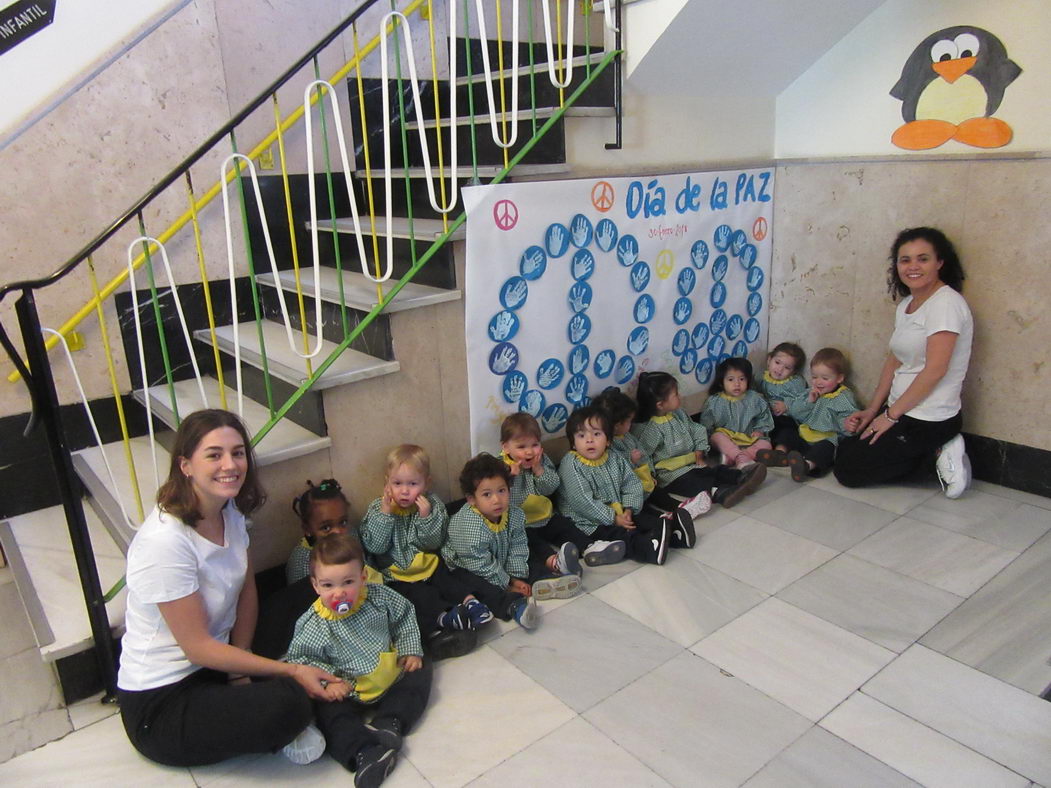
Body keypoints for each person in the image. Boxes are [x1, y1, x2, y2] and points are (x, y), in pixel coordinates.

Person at [117, 409, 339, 768]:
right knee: (288, 702)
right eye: (214, 455)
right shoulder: (164, 542)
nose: (230, 465)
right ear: (186, 465)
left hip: (219, 656)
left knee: (316, 593)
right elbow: (198, 649)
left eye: (237, 453)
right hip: (164, 700)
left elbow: (246, 587)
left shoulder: (228, 509)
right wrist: (290, 672)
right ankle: (292, 694)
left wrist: (241, 665)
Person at [835, 227, 973, 497]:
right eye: (905, 259)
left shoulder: (945, 304)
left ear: (940, 263)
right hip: (902, 409)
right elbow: (894, 360)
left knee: (848, 471)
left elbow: (935, 370)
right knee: (847, 448)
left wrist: (889, 416)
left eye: (923, 259)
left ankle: (940, 451)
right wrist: (873, 410)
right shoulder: (908, 305)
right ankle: (927, 450)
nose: (913, 267)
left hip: (930, 416)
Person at [287, 533, 431, 786]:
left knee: (421, 668)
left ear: (363, 577)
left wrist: (410, 650)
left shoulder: (380, 598)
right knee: (329, 714)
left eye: (348, 582)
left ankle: (390, 722)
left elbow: (405, 616)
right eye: (328, 585)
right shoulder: (313, 624)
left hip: (389, 672)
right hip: (347, 689)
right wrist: (329, 683)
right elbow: (301, 661)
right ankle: (365, 753)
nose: (339, 593)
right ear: (315, 585)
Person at [359, 444, 483, 659]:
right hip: (398, 574)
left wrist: (426, 518)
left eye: (413, 484)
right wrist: (386, 515)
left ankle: (471, 603)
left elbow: (433, 543)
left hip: (427, 564)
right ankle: (446, 618)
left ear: (426, 484)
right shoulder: (378, 508)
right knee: (420, 596)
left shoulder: (431, 505)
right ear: (387, 482)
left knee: (447, 578)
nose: (405, 491)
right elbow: (375, 547)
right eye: (397, 483)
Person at [253, 479, 382, 661]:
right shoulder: (303, 560)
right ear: (307, 529)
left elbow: (370, 568)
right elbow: (303, 609)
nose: (338, 532)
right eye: (326, 527)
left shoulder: (351, 535)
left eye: (343, 522)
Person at [558, 405, 677, 561]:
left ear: (607, 440)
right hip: (588, 520)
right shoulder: (571, 465)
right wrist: (613, 518)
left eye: (596, 434)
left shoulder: (614, 457)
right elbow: (584, 502)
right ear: (573, 443)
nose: (589, 440)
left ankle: (674, 536)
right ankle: (648, 550)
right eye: (581, 436)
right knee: (619, 535)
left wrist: (629, 508)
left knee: (642, 520)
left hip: (618, 510)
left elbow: (631, 483)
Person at [635, 371, 765, 510]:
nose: (680, 396)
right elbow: (644, 455)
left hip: (692, 463)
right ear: (660, 404)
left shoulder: (679, 414)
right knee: (696, 482)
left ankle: (741, 477)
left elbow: (696, 429)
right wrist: (649, 476)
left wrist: (699, 449)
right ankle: (722, 494)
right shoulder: (650, 430)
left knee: (714, 471)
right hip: (671, 475)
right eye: (676, 395)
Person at [442, 454, 541, 629]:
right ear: (472, 499)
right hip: (466, 567)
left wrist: (516, 575)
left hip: (497, 556)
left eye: (501, 491)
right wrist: (509, 583)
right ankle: (513, 606)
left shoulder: (513, 514)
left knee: (529, 553)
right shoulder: (470, 527)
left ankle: (544, 579)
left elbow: (518, 545)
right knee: (481, 587)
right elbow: (481, 564)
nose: (497, 500)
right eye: (487, 494)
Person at [499, 412, 593, 589]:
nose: (529, 451)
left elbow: (551, 487)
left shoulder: (541, 461)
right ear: (505, 447)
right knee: (531, 543)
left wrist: (539, 470)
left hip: (543, 516)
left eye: (535, 445)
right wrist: (508, 476)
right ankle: (555, 562)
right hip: (520, 524)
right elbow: (495, 497)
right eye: (521, 447)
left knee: (563, 525)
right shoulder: (499, 466)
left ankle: (588, 547)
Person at [760, 348, 860, 481]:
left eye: (825, 378)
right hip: (805, 435)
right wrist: (809, 402)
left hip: (826, 438)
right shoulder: (810, 392)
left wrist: (849, 425)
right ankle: (780, 454)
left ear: (839, 378)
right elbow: (796, 412)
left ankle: (806, 466)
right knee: (788, 433)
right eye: (814, 377)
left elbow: (848, 419)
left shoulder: (844, 397)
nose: (818, 382)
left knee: (825, 449)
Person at [699, 357, 775, 469]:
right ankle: (741, 457)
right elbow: (706, 424)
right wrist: (709, 438)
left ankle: (734, 458)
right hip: (727, 439)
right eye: (731, 380)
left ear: (748, 380)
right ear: (721, 382)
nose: (737, 384)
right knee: (716, 437)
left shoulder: (754, 398)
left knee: (766, 444)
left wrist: (760, 430)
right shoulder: (714, 402)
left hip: (749, 438)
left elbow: (763, 416)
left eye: (742, 379)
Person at [753, 342, 809, 455]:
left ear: (793, 371)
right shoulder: (760, 378)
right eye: (777, 362)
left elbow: (804, 401)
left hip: (785, 418)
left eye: (787, 367)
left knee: (787, 433)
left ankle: (779, 452)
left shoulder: (795, 383)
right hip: (766, 418)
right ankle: (758, 451)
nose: (780, 369)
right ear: (769, 360)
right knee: (758, 429)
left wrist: (787, 405)